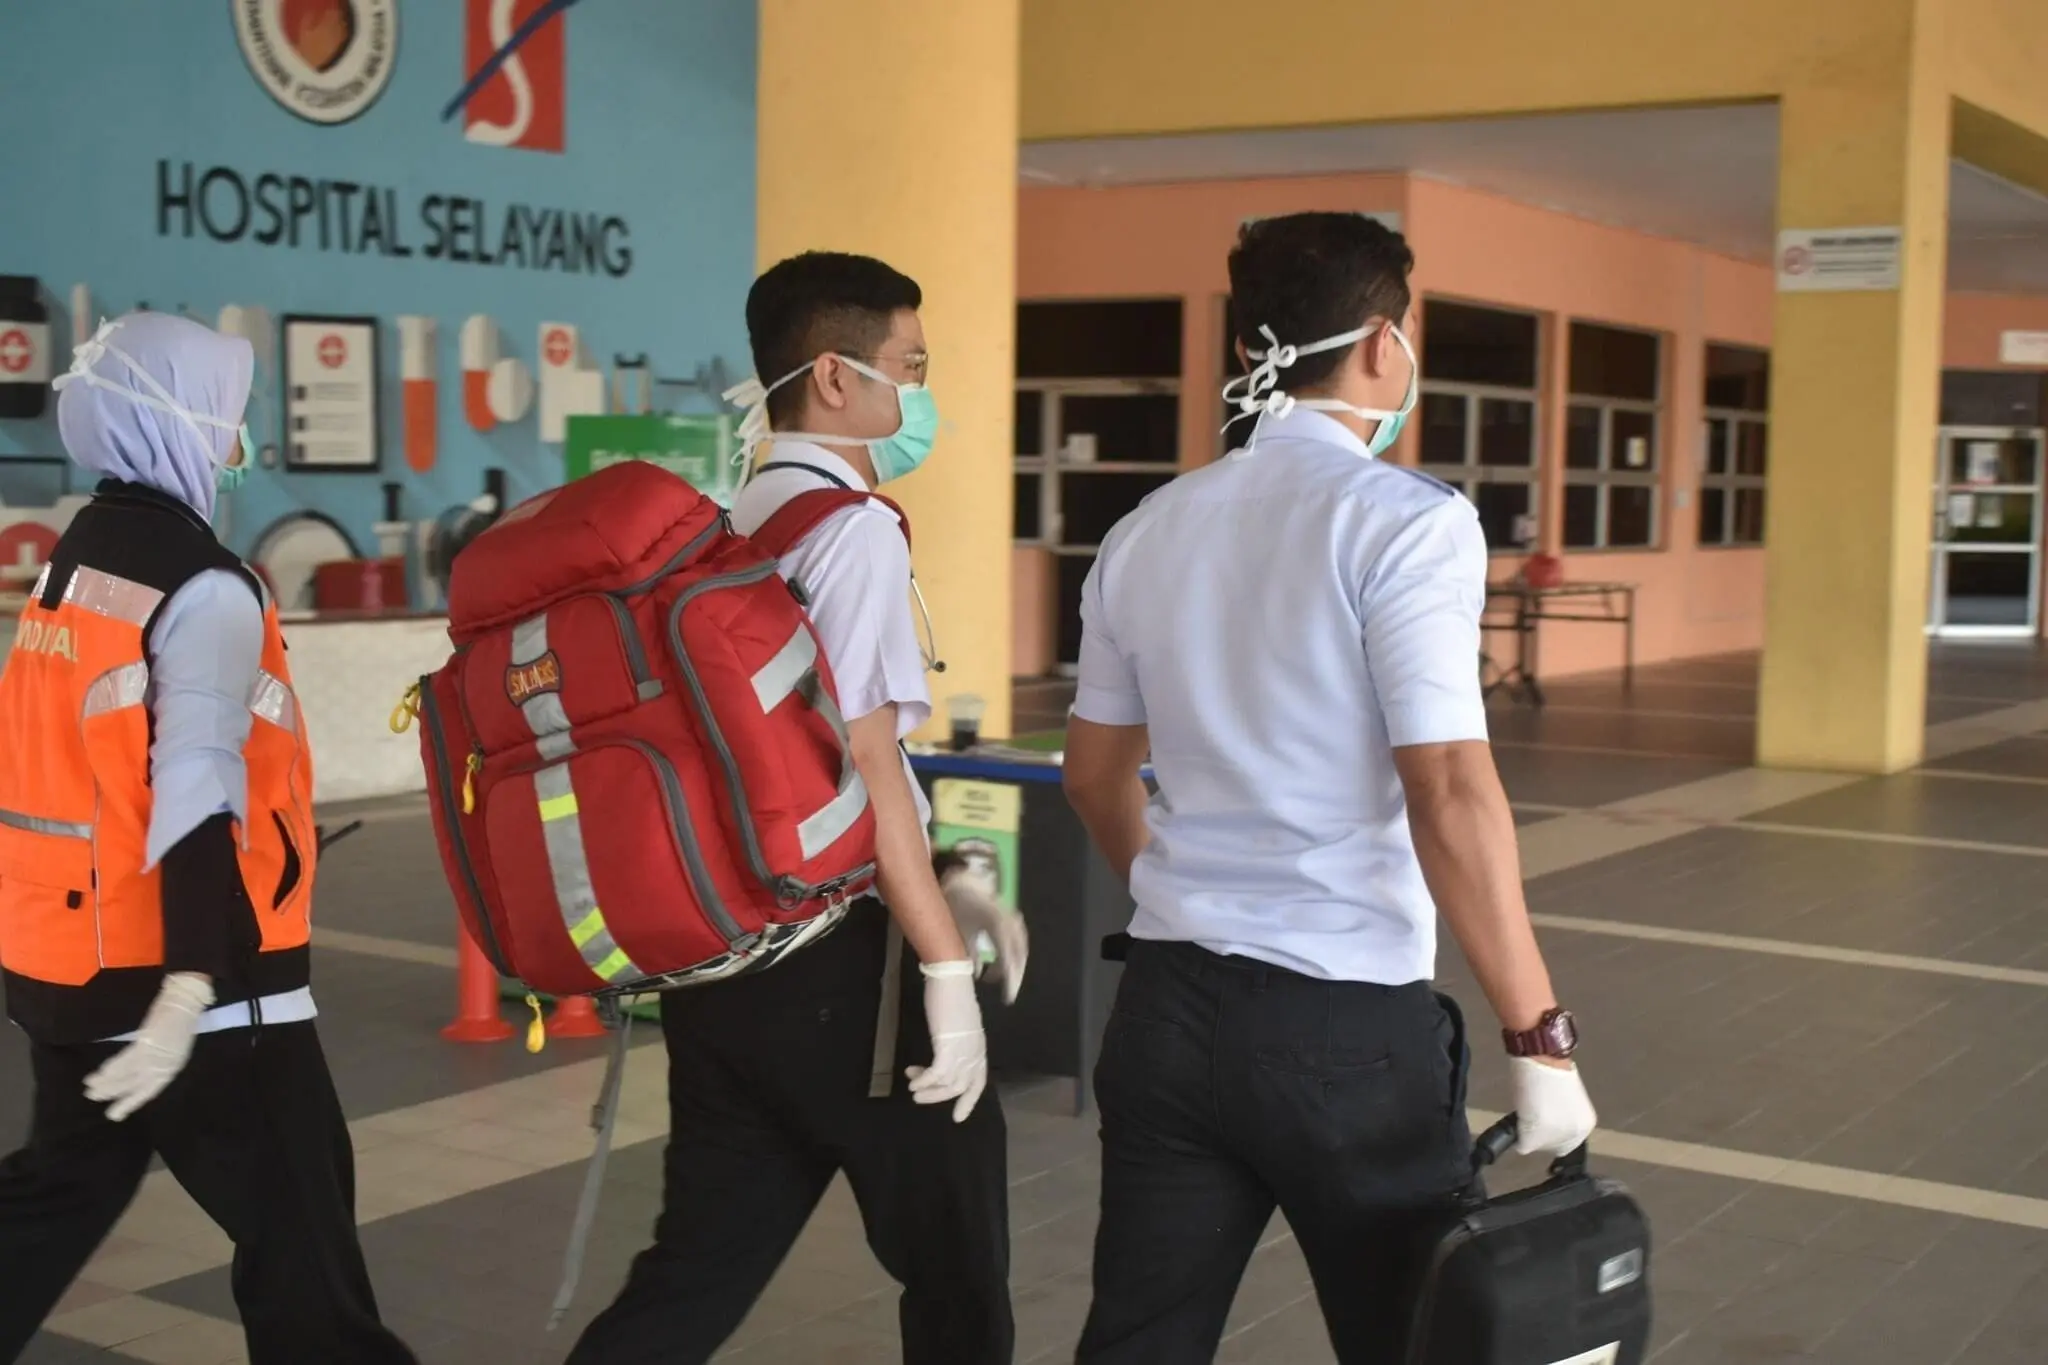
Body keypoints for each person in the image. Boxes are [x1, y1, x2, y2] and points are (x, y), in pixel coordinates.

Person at [1059, 212, 1599, 1365]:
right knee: (1414, 1340)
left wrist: (1184, 893)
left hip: (1164, 1010)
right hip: (1342, 1032)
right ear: (1377, 342)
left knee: (1138, 1342)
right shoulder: (1406, 525)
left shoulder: (1145, 531)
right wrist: (1537, 1036)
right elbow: (1448, 786)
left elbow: (1093, 774)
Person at [564, 252, 1014, 1365]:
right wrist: (946, 975)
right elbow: (867, 762)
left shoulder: (725, 521)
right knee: (960, 1284)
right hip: (844, 977)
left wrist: (951, 865)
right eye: (908, 367)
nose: (917, 395)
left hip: (727, 970)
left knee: (691, 1277)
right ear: (831, 376)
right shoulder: (852, 531)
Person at [0, 312, 417, 1364]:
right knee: (306, 1259)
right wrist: (193, 985)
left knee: (52, 1201)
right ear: (177, 423)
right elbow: (193, 787)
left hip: (67, 958)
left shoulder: (75, 562)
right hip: (210, 985)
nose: (240, 444)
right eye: (230, 418)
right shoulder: (206, 586)